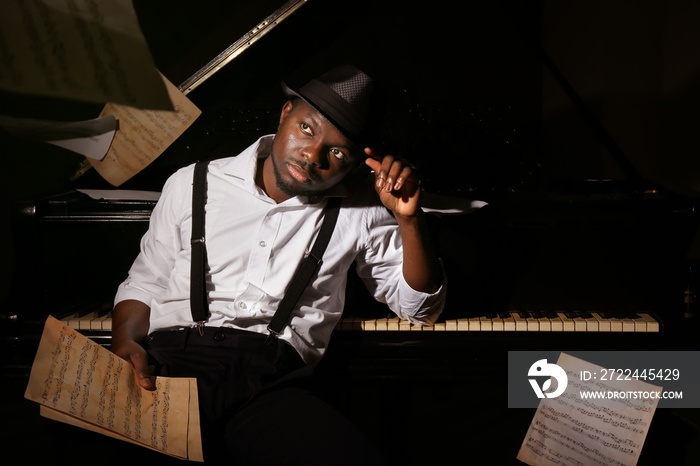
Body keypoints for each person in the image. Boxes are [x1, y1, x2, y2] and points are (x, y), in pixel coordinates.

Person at [111, 64, 446, 465]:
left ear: (358, 163)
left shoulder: (362, 212)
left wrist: (410, 219)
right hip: (172, 371)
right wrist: (126, 340)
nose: (312, 156)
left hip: (268, 387)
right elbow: (145, 281)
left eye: (337, 152)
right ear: (286, 113)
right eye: (307, 128)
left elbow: (420, 309)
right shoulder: (192, 182)